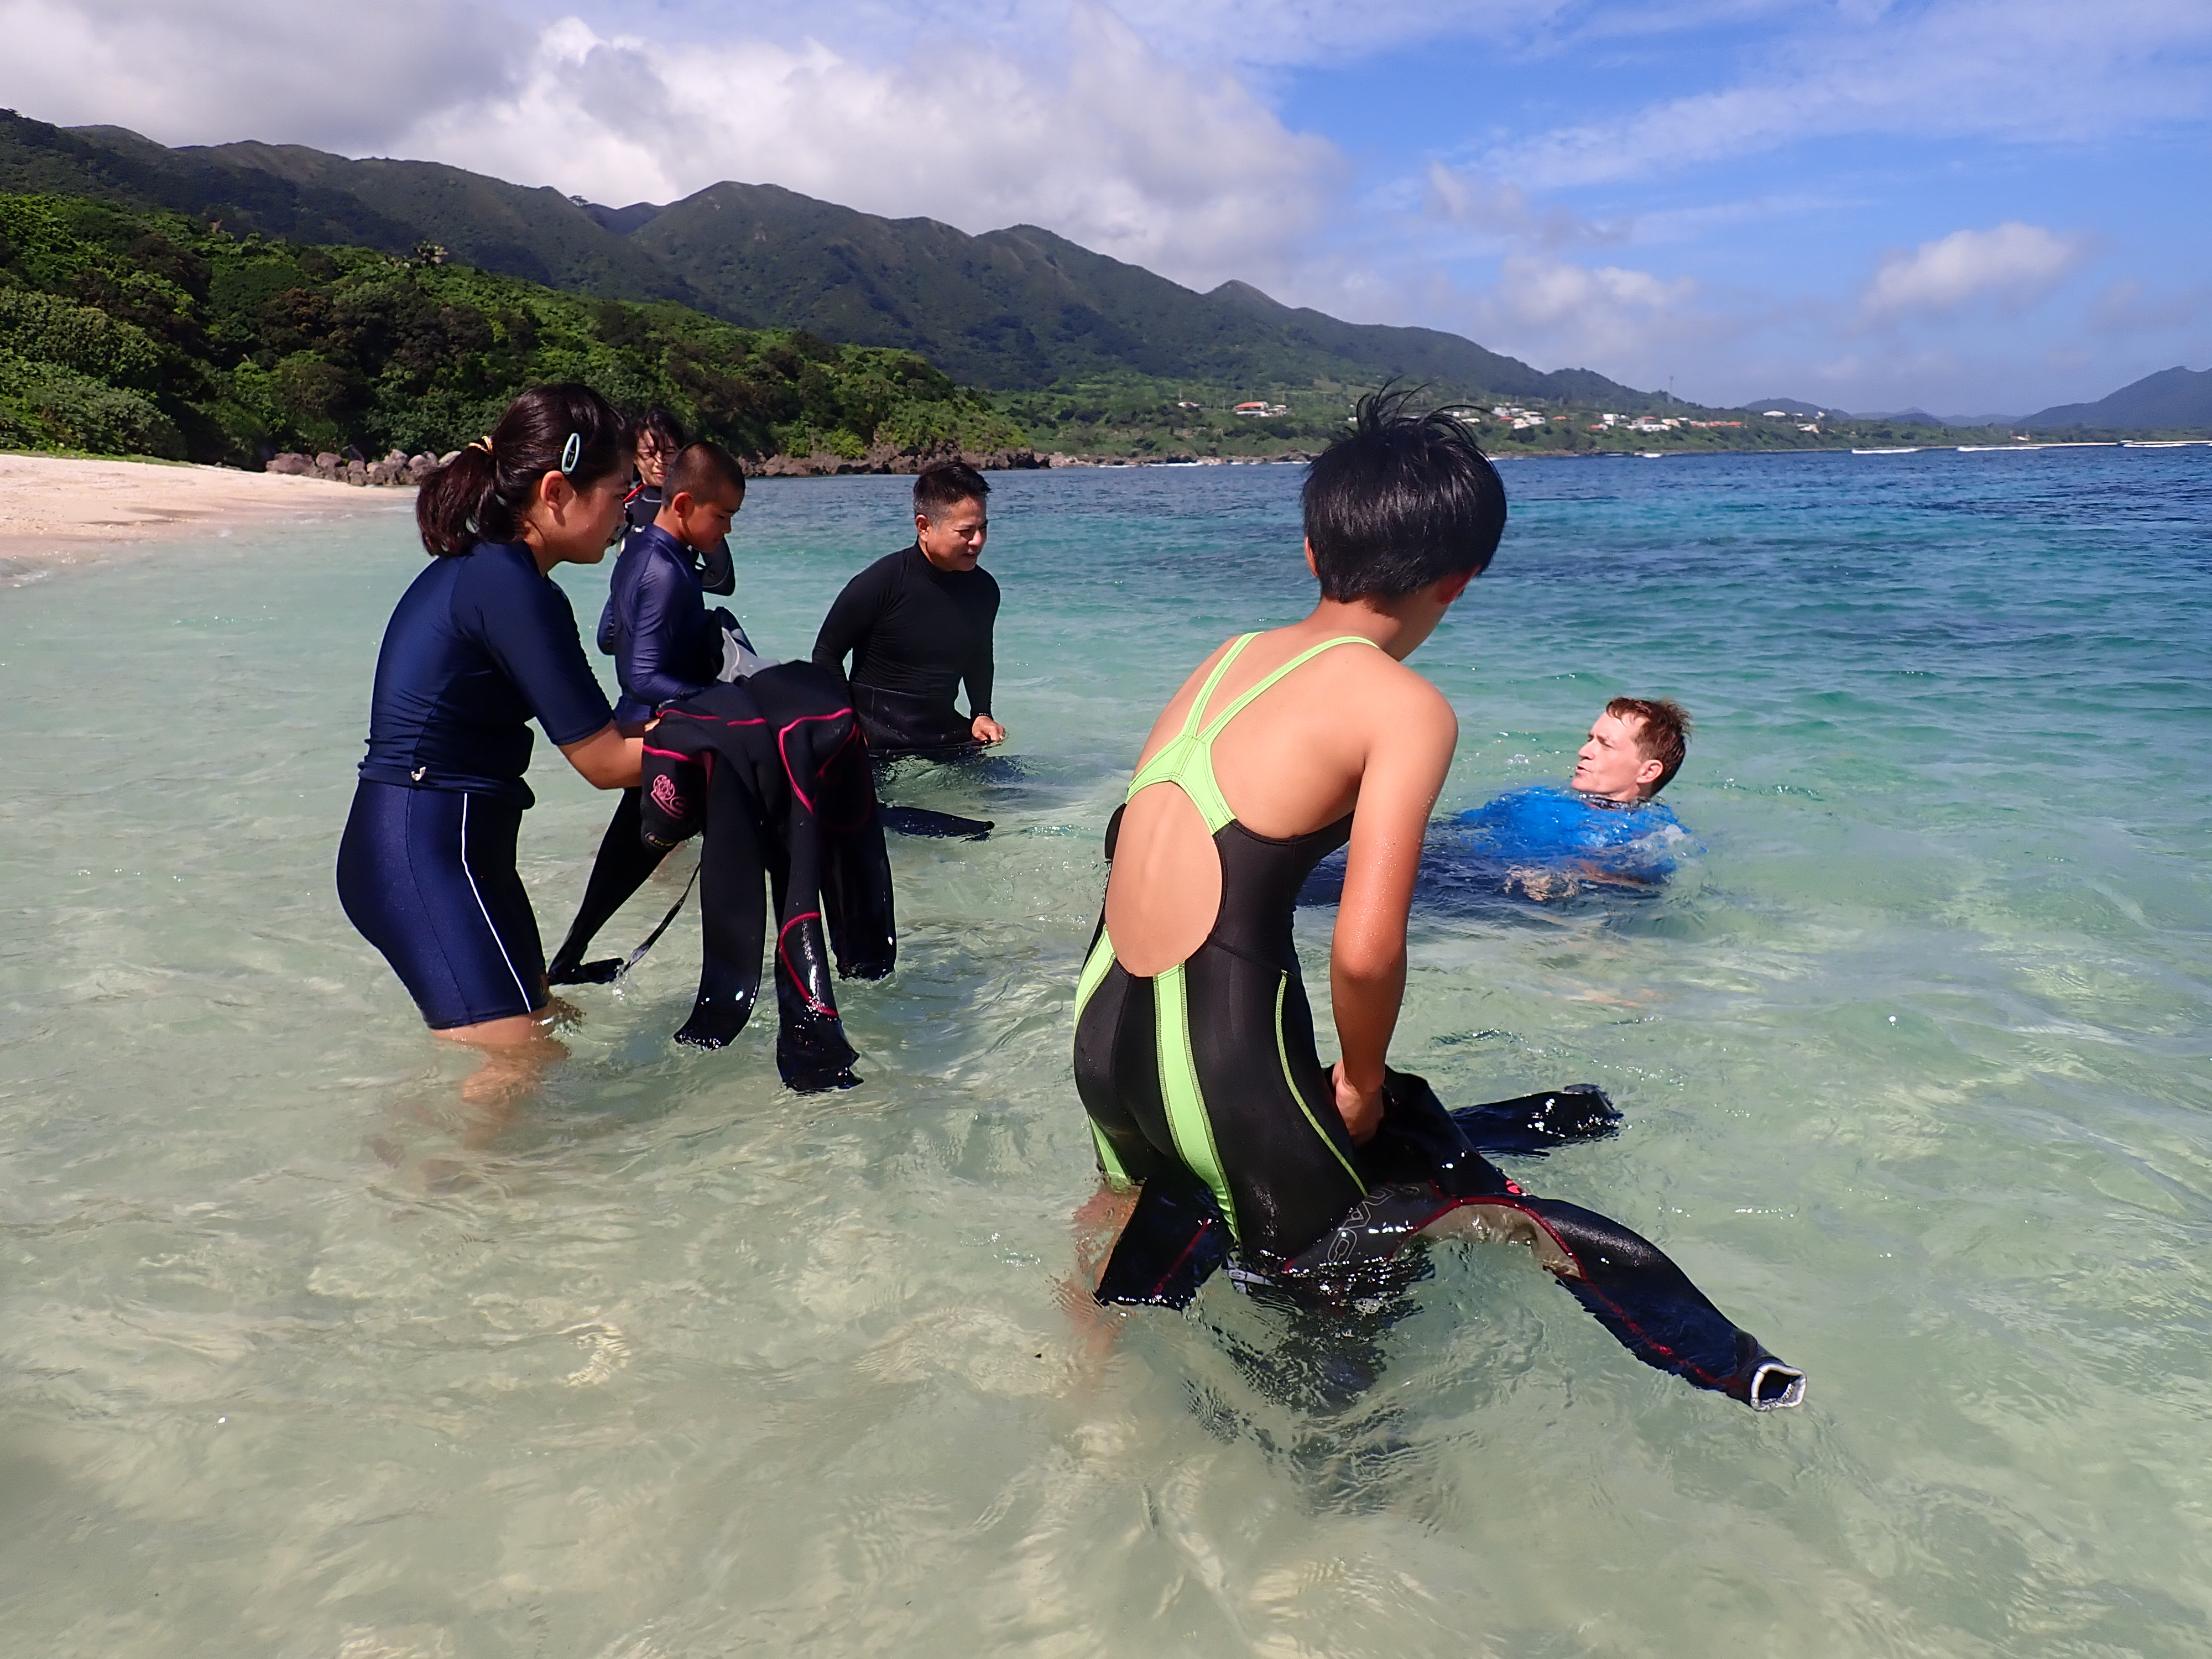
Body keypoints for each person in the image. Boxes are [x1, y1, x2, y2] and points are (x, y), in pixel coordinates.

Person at [1073, 390, 1500, 1263]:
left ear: (1312, 552)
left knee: (1120, 1250)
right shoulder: (1407, 709)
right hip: (1220, 1058)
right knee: (1335, 1353)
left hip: (1099, 1023)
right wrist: (1363, 1082)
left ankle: (1081, 1394)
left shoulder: (1225, 655)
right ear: (1457, 582)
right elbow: (1366, 950)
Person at [336, 383, 642, 1091]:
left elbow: (612, 734)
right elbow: (604, 761)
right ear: (558, 491)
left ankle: (471, 1192)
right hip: (424, 853)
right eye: (620, 492)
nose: (629, 514)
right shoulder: (510, 588)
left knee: (542, 1030)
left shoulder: (499, 575)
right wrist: (749, 745)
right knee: (519, 1064)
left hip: (450, 850)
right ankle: (429, 1197)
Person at [811, 460, 1004, 759]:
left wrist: (981, 713)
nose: (977, 541)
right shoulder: (882, 582)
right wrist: (847, 726)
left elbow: (979, 655)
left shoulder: (984, 590)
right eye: (965, 531)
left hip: (940, 731)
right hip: (876, 734)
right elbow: (826, 654)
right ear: (924, 527)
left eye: (983, 528)